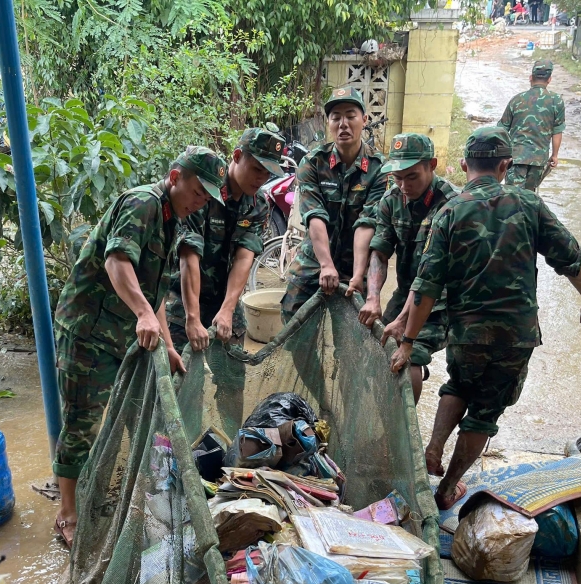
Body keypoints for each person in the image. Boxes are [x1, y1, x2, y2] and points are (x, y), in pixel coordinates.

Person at [391, 127, 581, 510]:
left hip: (466, 333)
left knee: (458, 384)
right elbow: (573, 259)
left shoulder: (449, 211)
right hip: (516, 335)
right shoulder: (528, 204)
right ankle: (447, 487)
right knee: (485, 412)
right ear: (505, 165)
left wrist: (407, 342)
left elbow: (427, 286)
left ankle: (434, 447)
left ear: (463, 165)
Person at [51, 146, 226, 545]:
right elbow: (117, 261)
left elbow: (156, 291)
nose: (201, 201)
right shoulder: (144, 203)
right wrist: (144, 316)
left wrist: (166, 341)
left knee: (143, 415)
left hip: (125, 333)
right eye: (198, 190)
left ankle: (136, 494)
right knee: (83, 423)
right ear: (176, 176)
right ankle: (67, 511)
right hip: (88, 330)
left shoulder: (172, 219)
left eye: (207, 196)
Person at [353, 132, 458, 403]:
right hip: (407, 290)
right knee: (375, 347)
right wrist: (374, 297)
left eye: (411, 176)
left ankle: (404, 435)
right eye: (397, 177)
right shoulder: (391, 200)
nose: (403, 185)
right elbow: (380, 251)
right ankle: (380, 416)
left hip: (443, 297)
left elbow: (430, 275)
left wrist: (403, 325)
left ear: (432, 165)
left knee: (408, 357)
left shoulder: (451, 205)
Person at [168, 128, 285, 353]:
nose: (261, 178)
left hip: (224, 296)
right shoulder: (204, 190)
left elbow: (244, 257)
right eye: (257, 169)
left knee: (233, 372)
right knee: (183, 375)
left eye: (268, 173)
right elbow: (188, 254)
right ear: (238, 156)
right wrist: (193, 317)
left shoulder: (258, 204)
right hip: (185, 294)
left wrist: (228, 309)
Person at [280, 86, 386, 323]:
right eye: (336, 117)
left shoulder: (379, 168)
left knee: (357, 330)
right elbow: (315, 215)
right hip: (315, 257)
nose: (343, 124)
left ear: (364, 119)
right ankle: (308, 362)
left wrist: (358, 275)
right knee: (291, 315)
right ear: (328, 123)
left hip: (355, 261)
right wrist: (326, 264)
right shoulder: (312, 162)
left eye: (350, 115)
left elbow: (367, 223)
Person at [499, 59, 565, 192]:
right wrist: (555, 155)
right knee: (529, 197)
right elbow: (557, 131)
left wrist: (501, 155)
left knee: (512, 195)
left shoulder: (517, 99)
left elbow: (502, 129)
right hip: (538, 159)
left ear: (530, 78)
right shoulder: (556, 101)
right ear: (549, 79)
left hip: (516, 157)